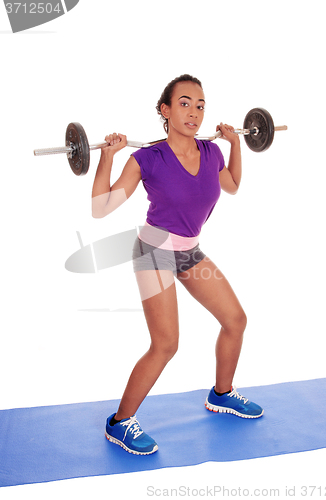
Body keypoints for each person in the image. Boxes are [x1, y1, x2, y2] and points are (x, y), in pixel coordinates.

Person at [91, 74, 263, 456]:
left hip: (189, 253)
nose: (195, 112)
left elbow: (232, 184)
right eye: (184, 103)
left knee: (235, 320)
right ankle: (120, 423)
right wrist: (107, 157)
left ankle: (222, 393)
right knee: (166, 344)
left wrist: (236, 144)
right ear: (165, 110)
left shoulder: (212, 152)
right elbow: (100, 208)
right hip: (154, 251)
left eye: (200, 105)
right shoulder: (147, 159)